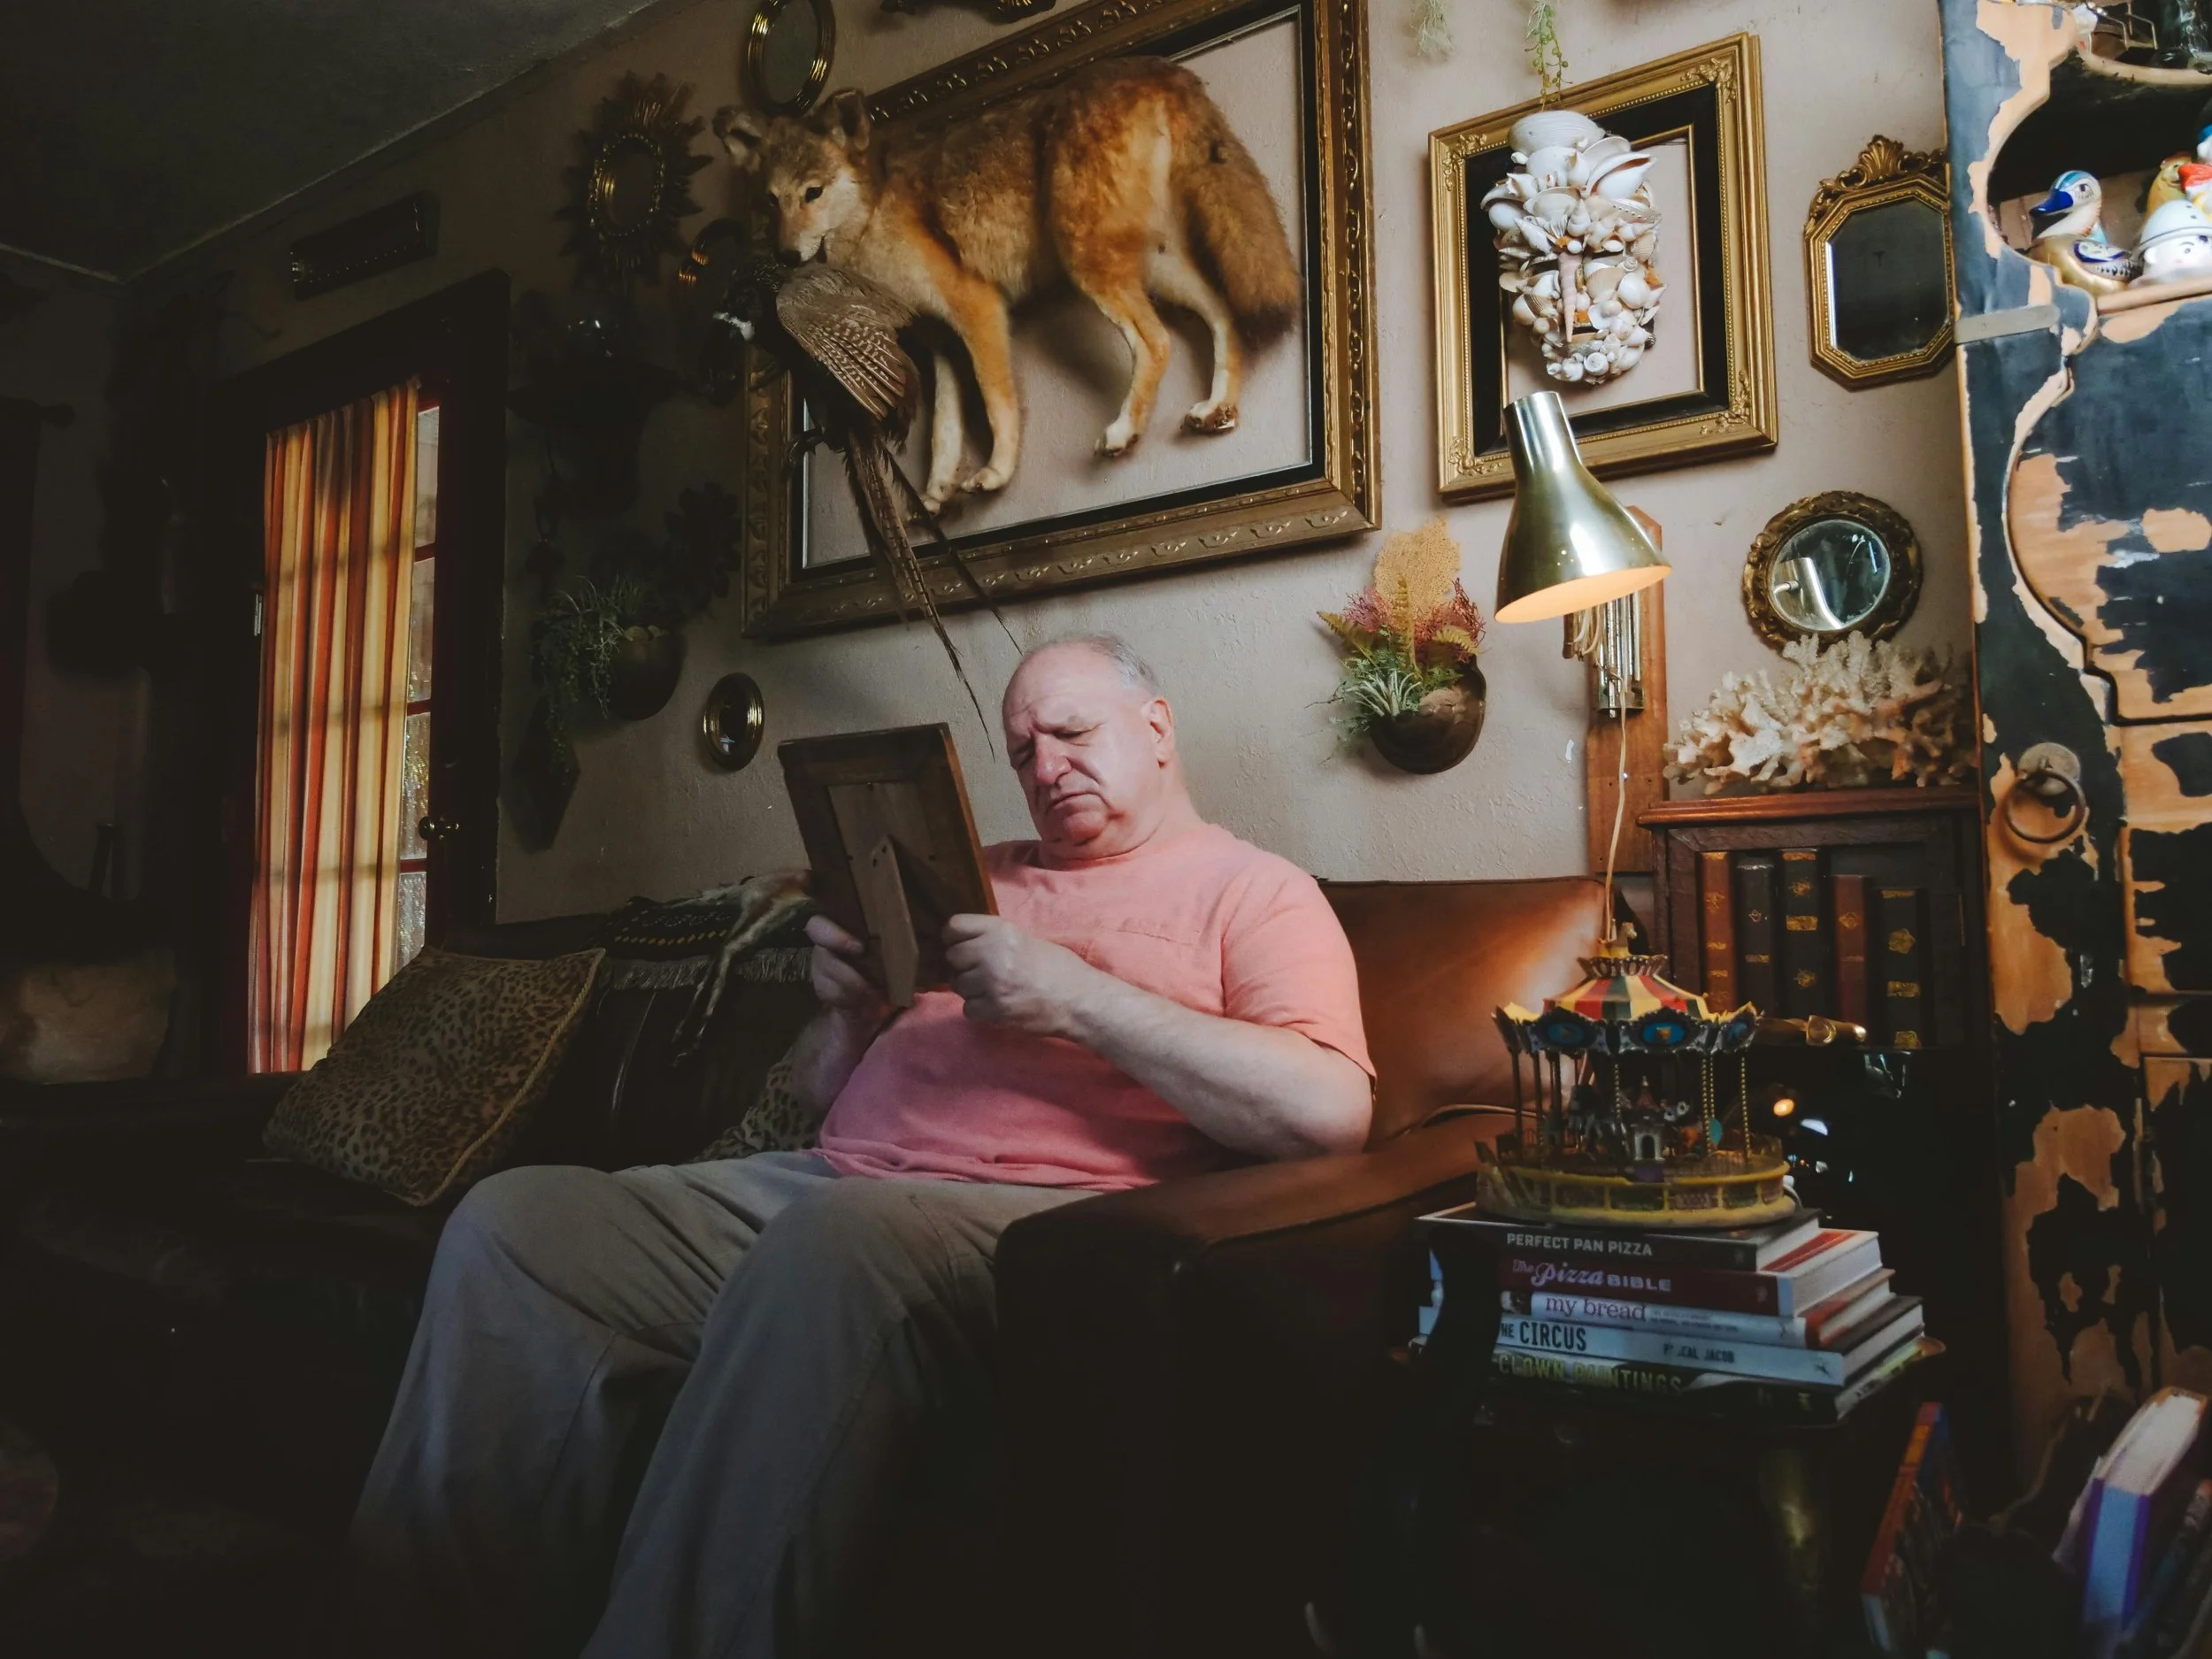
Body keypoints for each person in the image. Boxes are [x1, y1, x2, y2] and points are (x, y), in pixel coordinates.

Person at [343, 633, 1374, 1658]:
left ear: (1155, 728)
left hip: (1031, 1221)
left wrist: (1074, 996)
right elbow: (815, 1092)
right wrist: (844, 1012)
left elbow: (1326, 1110)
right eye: (1021, 751)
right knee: (520, 1225)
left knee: (831, 1246)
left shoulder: (1255, 892)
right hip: (820, 1184)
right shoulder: (969, 880)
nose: (1045, 766)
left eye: (1071, 732)